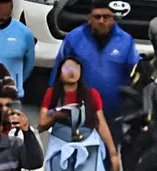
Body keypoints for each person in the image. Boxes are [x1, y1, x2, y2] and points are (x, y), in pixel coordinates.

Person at [39, 56, 119, 171]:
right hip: (61, 146)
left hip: (87, 146)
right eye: (67, 68)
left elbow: (100, 122)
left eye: (75, 68)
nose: (71, 72)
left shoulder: (91, 94)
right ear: (59, 73)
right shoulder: (52, 93)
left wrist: (112, 153)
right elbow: (41, 124)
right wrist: (56, 114)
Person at [49, 0, 140, 145]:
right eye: (97, 17)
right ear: (89, 18)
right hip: (80, 113)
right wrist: (51, 107)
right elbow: (58, 73)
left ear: (113, 18)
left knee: (109, 158)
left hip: (113, 114)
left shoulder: (126, 41)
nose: (102, 21)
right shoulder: (74, 38)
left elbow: (135, 73)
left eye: (107, 17)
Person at [0, 0, 35, 99]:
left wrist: (17, 81)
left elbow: (29, 64)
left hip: (12, 96)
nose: (1, 7)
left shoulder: (25, 33)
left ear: (11, 5)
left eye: (5, 2)